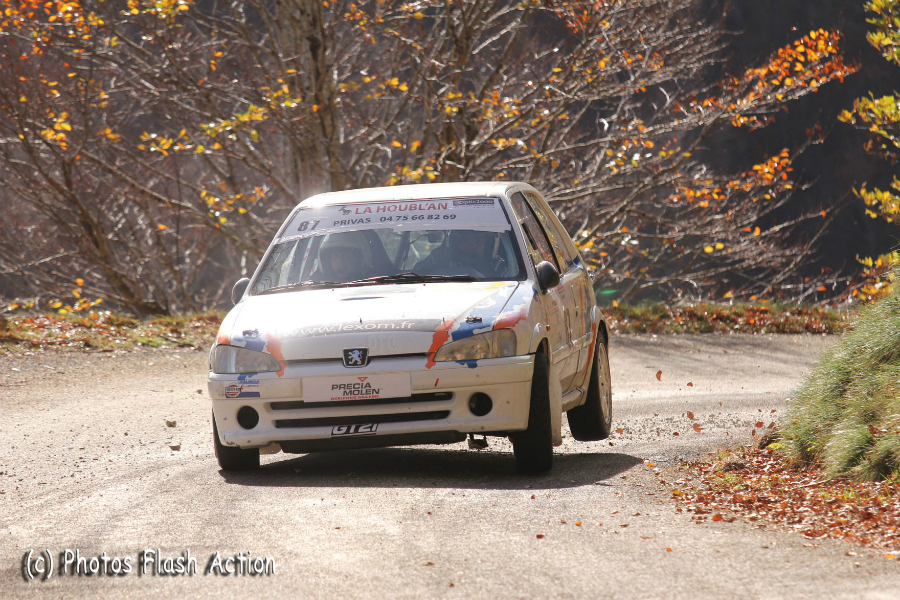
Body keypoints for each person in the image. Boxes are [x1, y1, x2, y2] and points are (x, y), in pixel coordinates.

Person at [414, 229, 505, 278]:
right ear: (456, 242)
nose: (470, 245)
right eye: (465, 240)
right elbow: (415, 275)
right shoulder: (441, 257)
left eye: (479, 242)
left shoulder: (501, 266)